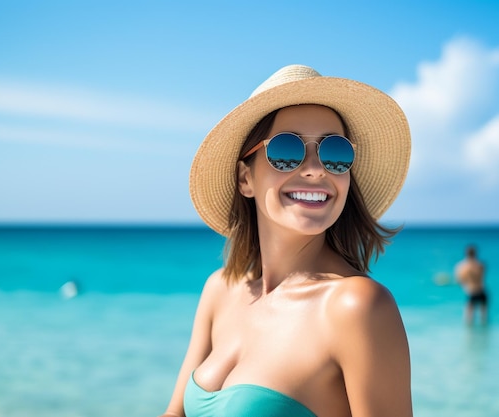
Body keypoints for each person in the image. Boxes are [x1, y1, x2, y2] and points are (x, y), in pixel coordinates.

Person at [159, 65, 412, 417]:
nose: (315, 169)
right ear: (245, 178)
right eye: (287, 149)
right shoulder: (220, 291)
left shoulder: (357, 307)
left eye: (335, 153)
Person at [454, 245, 488, 325]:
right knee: (484, 319)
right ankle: (484, 335)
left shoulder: (461, 266)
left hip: (471, 292)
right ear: (475, 253)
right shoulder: (481, 265)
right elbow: (482, 277)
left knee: (468, 321)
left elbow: (460, 281)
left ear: (465, 253)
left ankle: (470, 336)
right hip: (482, 291)